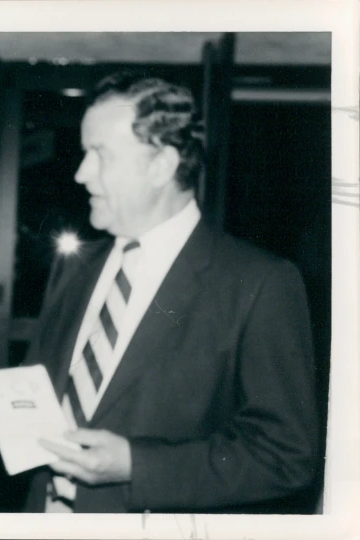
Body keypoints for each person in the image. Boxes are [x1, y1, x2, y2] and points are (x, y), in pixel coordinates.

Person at [22, 72, 319, 513]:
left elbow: (285, 455)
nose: (81, 174)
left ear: (161, 165)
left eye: (100, 156)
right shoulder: (75, 267)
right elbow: (40, 386)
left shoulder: (259, 282)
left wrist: (136, 466)